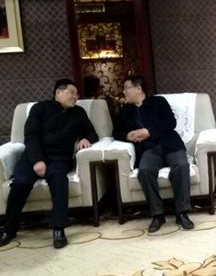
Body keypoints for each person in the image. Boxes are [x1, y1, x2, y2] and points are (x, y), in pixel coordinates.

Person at [0, 79, 98, 249]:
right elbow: (30, 136)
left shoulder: (79, 113)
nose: (76, 97)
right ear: (58, 92)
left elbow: (92, 133)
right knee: (20, 183)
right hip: (33, 156)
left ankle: (58, 229)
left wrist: (84, 138)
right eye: (72, 92)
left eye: (77, 94)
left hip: (59, 158)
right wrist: (37, 160)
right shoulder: (40, 109)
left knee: (59, 179)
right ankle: (9, 228)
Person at [113, 75, 194, 232]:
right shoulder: (125, 111)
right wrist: (127, 135)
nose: (124, 92)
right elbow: (116, 132)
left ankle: (182, 213)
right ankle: (158, 214)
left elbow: (170, 123)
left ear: (138, 88)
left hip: (171, 145)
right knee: (144, 171)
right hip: (149, 149)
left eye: (127, 88)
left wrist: (149, 132)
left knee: (181, 165)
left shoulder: (159, 102)